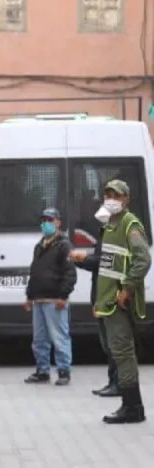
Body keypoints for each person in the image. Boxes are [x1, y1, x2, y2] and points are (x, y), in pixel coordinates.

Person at [86, 180, 150, 424]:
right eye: (108, 194)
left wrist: (126, 288)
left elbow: (143, 260)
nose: (111, 199)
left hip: (120, 303)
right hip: (109, 301)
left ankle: (132, 407)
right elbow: (107, 268)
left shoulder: (129, 224)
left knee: (123, 354)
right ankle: (131, 405)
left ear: (127, 199)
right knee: (120, 352)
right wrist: (99, 301)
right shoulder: (110, 225)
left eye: (117, 195)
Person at [23, 208, 76, 387]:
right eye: (43, 219)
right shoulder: (40, 245)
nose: (46, 223)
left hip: (55, 301)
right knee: (39, 339)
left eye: (50, 220)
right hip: (38, 300)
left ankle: (63, 371)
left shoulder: (63, 245)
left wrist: (63, 295)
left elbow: (70, 273)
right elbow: (34, 272)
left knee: (59, 337)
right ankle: (42, 371)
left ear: (58, 223)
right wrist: (29, 296)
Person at [70, 207, 119, 398]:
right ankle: (112, 381)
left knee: (114, 344)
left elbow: (106, 262)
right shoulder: (105, 234)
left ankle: (119, 384)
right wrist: (81, 261)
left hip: (110, 295)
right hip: (101, 294)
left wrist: (83, 259)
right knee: (107, 344)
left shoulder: (115, 236)